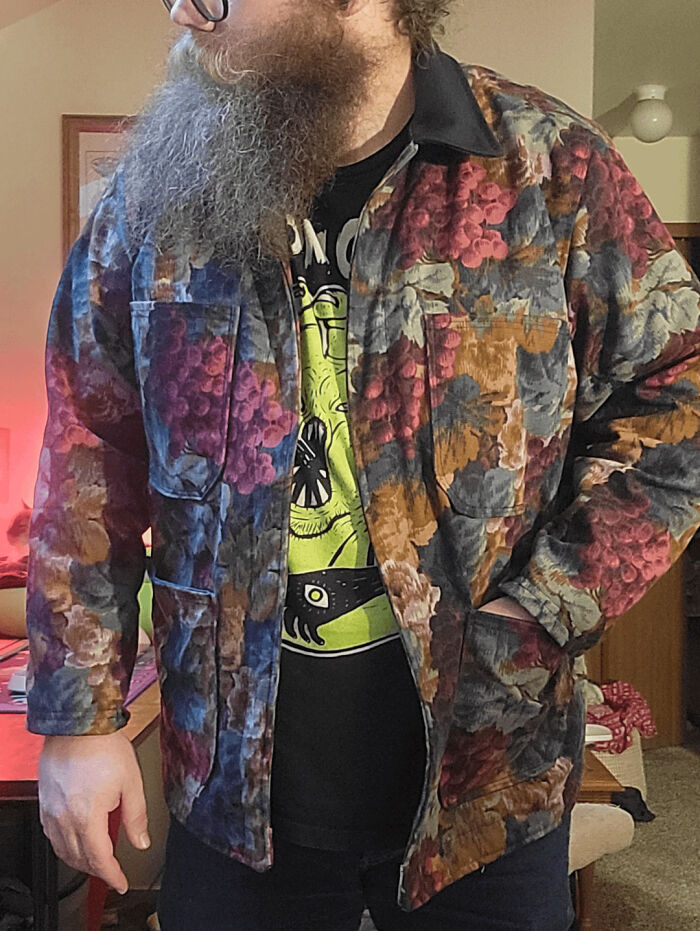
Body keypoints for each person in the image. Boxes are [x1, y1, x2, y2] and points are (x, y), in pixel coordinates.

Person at [25, 0, 700, 928]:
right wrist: (80, 717)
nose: (183, 10)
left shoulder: (551, 169)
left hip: (487, 790)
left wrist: (548, 603)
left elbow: (680, 396)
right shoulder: (156, 190)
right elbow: (88, 450)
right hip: (235, 799)